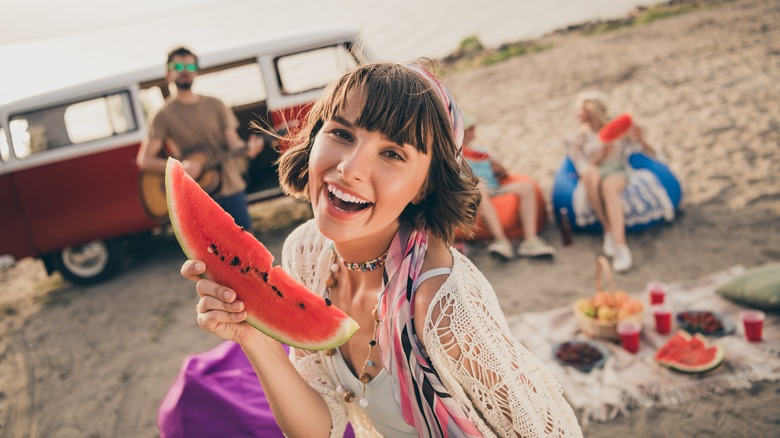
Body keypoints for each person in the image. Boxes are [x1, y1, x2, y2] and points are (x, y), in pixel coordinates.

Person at [180, 63, 582, 437]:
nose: (350, 168)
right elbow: (322, 426)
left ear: (425, 184)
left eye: (392, 154)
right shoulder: (306, 253)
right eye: (341, 133)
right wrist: (256, 339)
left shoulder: (442, 305)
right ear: (315, 136)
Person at [136, 46, 263, 231]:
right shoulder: (162, 115)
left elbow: (234, 143)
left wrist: (249, 148)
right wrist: (180, 168)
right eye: (178, 67)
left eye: (190, 67)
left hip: (232, 187)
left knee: (247, 244)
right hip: (199, 193)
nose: (185, 72)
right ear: (168, 73)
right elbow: (145, 160)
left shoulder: (216, 104)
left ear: (196, 71)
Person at [567, 92, 657, 272]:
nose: (577, 113)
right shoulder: (579, 137)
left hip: (616, 169)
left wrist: (640, 138)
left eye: (581, 110)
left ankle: (620, 247)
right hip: (593, 172)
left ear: (592, 111)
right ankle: (607, 228)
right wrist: (601, 155)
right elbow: (581, 165)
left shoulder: (616, 129)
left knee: (608, 186)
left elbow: (651, 153)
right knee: (589, 174)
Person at [461, 115, 556, 260]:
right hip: (475, 195)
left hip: (496, 190)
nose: (473, 133)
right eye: (469, 130)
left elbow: (503, 173)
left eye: (473, 129)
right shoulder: (455, 155)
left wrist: (497, 166)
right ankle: (501, 240)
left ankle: (530, 241)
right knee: (479, 186)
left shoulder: (481, 152)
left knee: (526, 187)